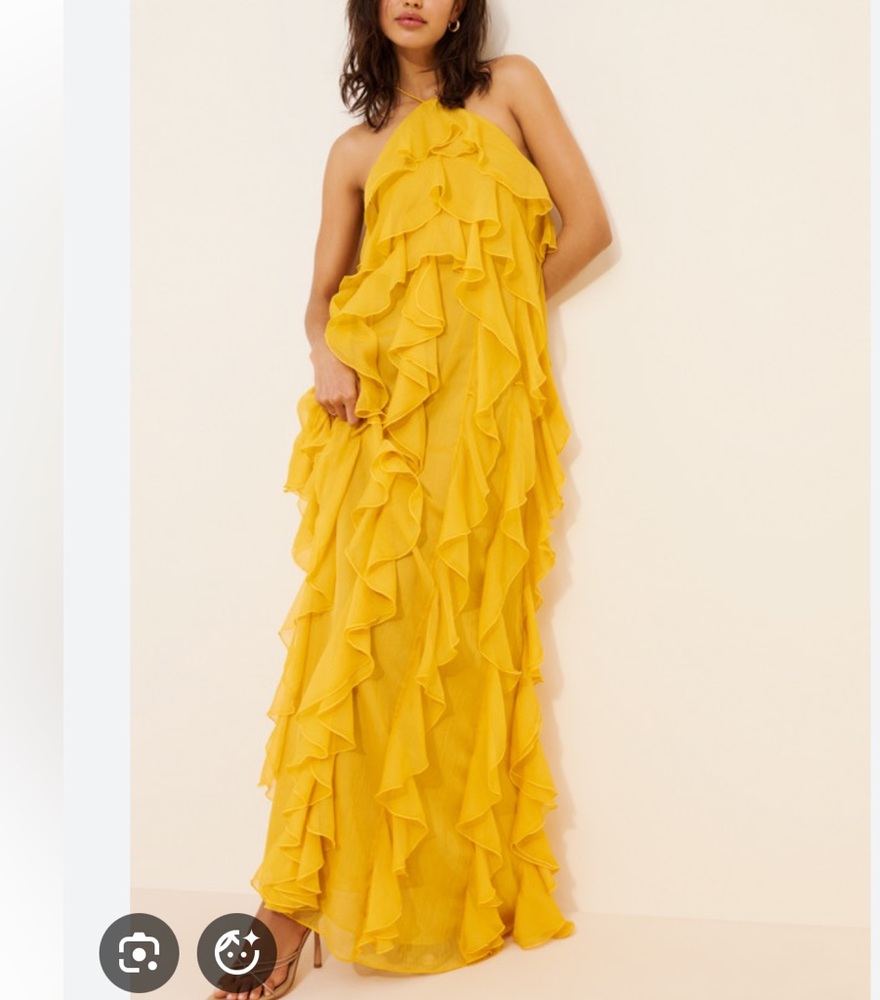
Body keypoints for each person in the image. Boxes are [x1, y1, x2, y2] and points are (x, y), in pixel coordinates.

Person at [211, 0, 610, 996]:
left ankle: (426, 893)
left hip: (483, 422)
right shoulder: (354, 151)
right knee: (355, 639)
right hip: (380, 422)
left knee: (457, 645)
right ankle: (289, 903)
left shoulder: (511, 90)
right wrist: (328, 352)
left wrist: (488, 321)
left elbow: (589, 228)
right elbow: (321, 299)